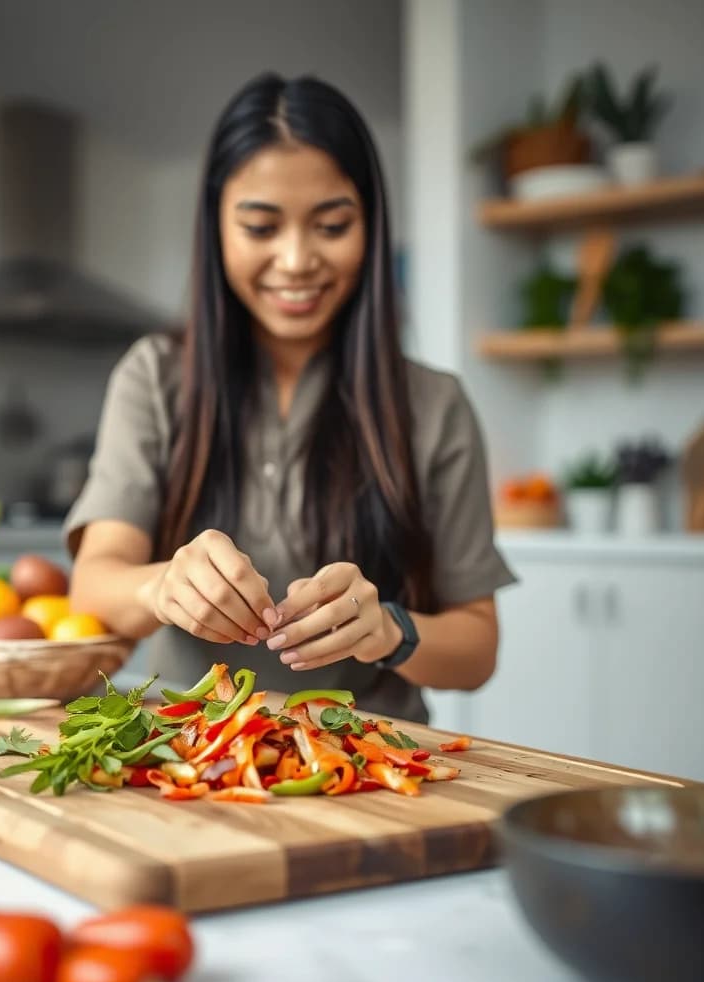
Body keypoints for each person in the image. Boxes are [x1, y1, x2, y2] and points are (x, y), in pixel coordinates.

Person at [64, 72, 515, 721]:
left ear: (371, 226)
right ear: (217, 227)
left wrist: (390, 630)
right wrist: (164, 584)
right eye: (261, 227)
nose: (298, 259)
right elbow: (94, 584)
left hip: (369, 768)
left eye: (331, 225)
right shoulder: (154, 378)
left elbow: (477, 648)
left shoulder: (434, 405)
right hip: (189, 758)